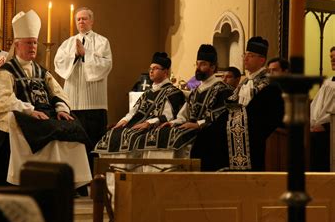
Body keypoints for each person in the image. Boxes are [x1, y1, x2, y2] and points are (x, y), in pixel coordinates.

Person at [0, 10, 92, 187]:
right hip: (23, 114)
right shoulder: (7, 71)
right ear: (17, 45)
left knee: (73, 126)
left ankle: (69, 181)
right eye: (28, 43)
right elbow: (2, 99)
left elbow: (58, 93)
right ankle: (29, 180)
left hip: (47, 114)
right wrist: (30, 111)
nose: (33, 47)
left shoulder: (41, 71)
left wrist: (61, 109)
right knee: (40, 128)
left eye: (35, 43)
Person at [193, 36, 284, 171]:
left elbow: (265, 113)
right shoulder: (245, 82)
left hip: (251, 131)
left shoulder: (269, 83)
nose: (245, 59)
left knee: (210, 138)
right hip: (236, 125)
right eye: (245, 55)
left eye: (251, 56)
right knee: (205, 136)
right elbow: (230, 103)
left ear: (262, 60)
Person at [132, 45, 232, 155]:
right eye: (197, 64)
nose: (198, 68)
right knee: (159, 132)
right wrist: (172, 123)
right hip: (190, 128)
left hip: (208, 132)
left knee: (173, 137)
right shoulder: (196, 91)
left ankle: (173, 170)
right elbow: (184, 114)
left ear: (212, 67)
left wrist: (197, 125)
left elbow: (222, 117)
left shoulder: (222, 89)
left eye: (203, 64)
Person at [54, 7, 112, 172]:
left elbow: (106, 65)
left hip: (95, 103)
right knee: (73, 145)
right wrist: (75, 56)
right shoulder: (67, 44)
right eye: (78, 19)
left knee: (94, 145)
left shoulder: (102, 42)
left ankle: (95, 181)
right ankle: (77, 181)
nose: (81, 21)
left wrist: (85, 54)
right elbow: (59, 63)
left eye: (84, 18)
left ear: (92, 21)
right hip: (73, 102)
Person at [94, 52, 185, 154]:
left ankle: (131, 168)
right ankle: (114, 169)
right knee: (112, 133)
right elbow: (134, 111)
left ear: (166, 72)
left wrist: (148, 123)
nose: (151, 71)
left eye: (155, 68)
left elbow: (169, 116)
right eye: (150, 68)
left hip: (153, 127)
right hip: (136, 124)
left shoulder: (172, 92)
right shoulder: (147, 93)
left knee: (131, 136)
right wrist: (124, 120)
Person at [309, 46, 335, 171]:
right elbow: (316, 104)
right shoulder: (328, 82)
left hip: (330, 130)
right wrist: (313, 122)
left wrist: (325, 125)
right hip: (317, 131)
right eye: (331, 57)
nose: (333, 60)